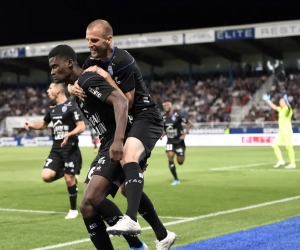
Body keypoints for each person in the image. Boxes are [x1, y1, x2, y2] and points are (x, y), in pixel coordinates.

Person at [49, 45, 177, 250]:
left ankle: (138, 234)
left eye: (55, 66)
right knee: (87, 206)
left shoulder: (87, 80)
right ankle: (156, 237)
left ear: (70, 63)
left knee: (92, 198)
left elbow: (121, 102)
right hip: (106, 144)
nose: (52, 71)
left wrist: (121, 142)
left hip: (116, 142)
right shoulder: (79, 86)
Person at [69, 19, 167, 238]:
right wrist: (71, 86)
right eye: (87, 40)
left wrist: (105, 77)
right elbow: (81, 80)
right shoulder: (90, 60)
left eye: (94, 40)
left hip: (145, 115)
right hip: (131, 121)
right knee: (125, 187)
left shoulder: (122, 60)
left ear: (108, 39)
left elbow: (127, 102)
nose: (90, 44)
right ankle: (163, 235)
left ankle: (131, 220)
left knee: (128, 156)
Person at [24, 82, 85, 219]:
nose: (47, 91)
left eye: (50, 88)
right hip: (56, 148)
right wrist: (32, 125)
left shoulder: (71, 106)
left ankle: (73, 210)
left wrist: (69, 134)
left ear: (58, 90)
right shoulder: (52, 108)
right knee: (46, 176)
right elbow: (43, 124)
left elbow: (81, 127)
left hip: (70, 148)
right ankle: (70, 174)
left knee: (69, 178)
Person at [160, 100, 193, 185]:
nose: (166, 107)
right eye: (164, 105)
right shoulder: (163, 118)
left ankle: (181, 154)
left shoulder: (178, 116)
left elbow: (189, 123)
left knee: (180, 162)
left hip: (179, 142)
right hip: (170, 141)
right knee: (170, 157)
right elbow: (166, 129)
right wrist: (163, 135)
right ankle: (176, 179)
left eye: (167, 105)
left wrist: (185, 134)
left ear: (171, 106)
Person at [262, 93, 296, 169]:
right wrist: (268, 100)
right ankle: (281, 160)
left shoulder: (288, 109)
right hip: (281, 132)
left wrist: (287, 101)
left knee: (289, 147)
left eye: (281, 101)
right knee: (274, 145)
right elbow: (274, 107)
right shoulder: (281, 109)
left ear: (285, 102)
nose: (280, 102)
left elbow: (290, 108)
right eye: (280, 101)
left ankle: (293, 163)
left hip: (287, 132)